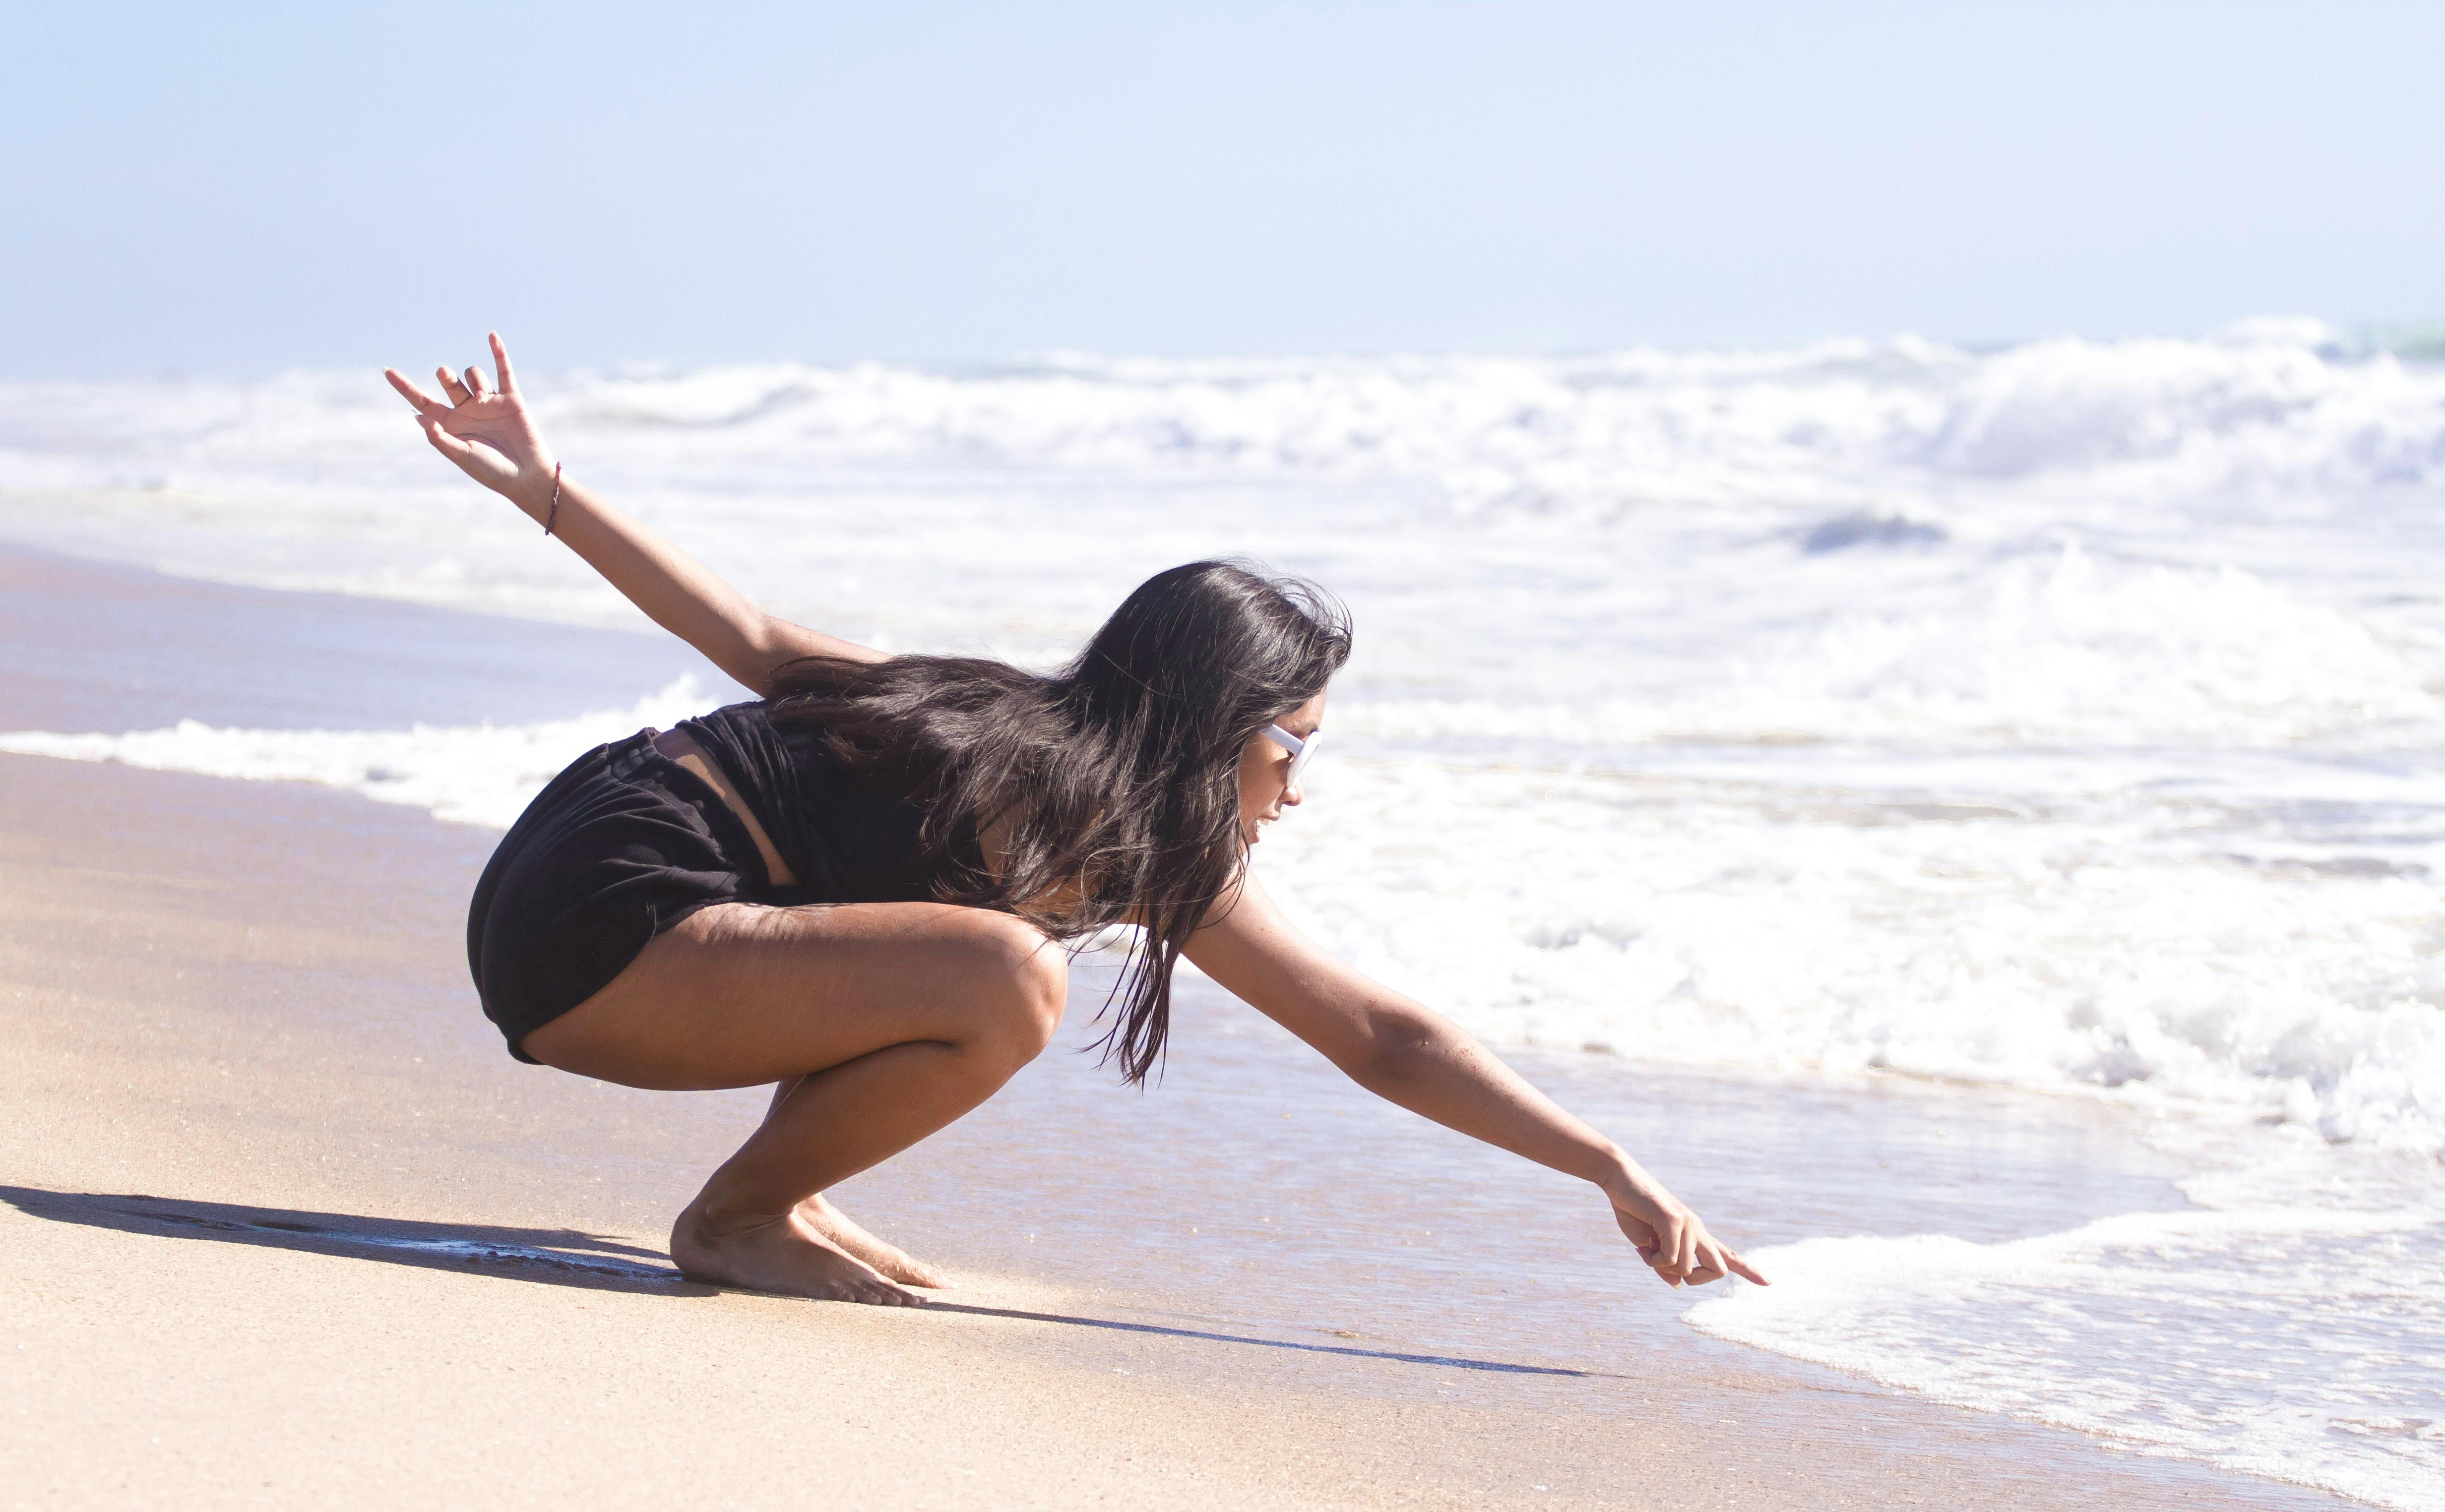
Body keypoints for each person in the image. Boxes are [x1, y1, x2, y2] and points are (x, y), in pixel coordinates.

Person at [386, 334, 1768, 1308]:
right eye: (1293, 745)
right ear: (1218, 724)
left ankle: (773, 1199)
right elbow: (746, 634)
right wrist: (546, 486)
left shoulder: (1142, 840)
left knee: (967, 960)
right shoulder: (996, 731)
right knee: (1008, 972)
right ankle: (737, 1219)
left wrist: (1606, 1165)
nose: (1300, 782)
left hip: (576, 909)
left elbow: (1378, 1035)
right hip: (607, 913)